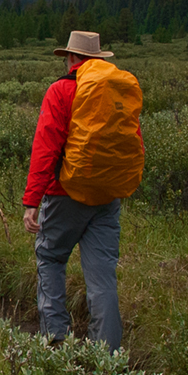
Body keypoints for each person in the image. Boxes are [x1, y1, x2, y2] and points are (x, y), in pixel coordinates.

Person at [22, 32, 143, 350]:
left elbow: (46, 148)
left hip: (65, 194)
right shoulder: (117, 90)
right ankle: (107, 354)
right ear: (99, 59)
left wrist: (32, 200)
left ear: (72, 58)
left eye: (67, 57)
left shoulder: (62, 90)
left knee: (50, 257)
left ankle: (55, 340)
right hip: (107, 196)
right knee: (102, 277)